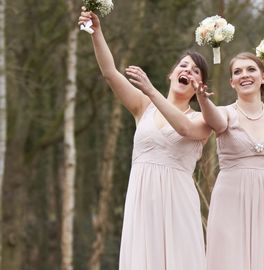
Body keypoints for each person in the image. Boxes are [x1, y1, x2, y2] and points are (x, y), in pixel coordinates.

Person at [78, 11, 211, 270]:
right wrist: (96, 32)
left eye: (195, 71)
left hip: (178, 203)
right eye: (183, 65)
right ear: (172, 74)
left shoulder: (203, 119)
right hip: (142, 198)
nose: (188, 70)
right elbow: (109, 73)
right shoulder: (143, 106)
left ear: (199, 85)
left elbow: (183, 128)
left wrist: (150, 89)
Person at [196, 52, 264, 270]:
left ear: (263, 77)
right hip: (230, 199)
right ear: (232, 82)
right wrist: (203, 100)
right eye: (237, 72)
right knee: (229, 260)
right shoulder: (224, 113)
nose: (244, 75)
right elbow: (214, 120)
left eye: (251, 69)